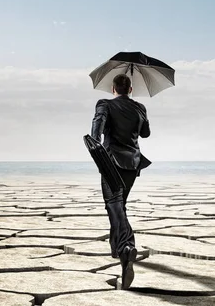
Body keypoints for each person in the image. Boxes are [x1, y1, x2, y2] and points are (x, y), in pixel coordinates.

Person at [91, 73, 151, 290]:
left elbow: (97, 125)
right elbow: (146, 133)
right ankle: (117, 248)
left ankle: (126, 247)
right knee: (119, 205)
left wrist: (94, 139)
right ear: (130, 89)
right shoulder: (140, 108)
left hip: (111, 163)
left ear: (113, 88)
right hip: (132, 165)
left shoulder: (104, 104)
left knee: (114, 205)